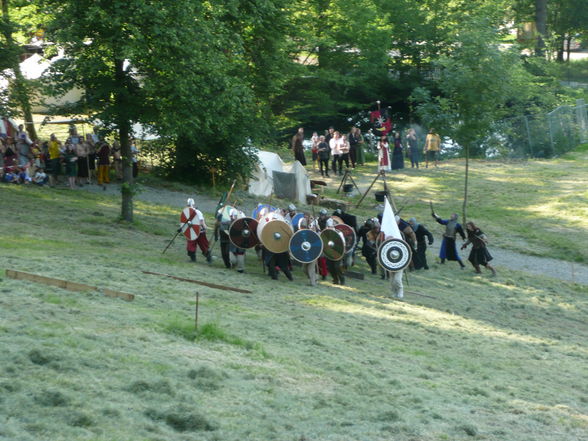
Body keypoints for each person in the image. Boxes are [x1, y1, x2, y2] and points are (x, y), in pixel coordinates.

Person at [184, 198, 213, 263]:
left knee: (204, 246)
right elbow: (184, 221)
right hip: (191, 231)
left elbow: (201, 222)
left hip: (200, 232)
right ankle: (193, 259)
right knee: (190, 246)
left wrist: (204, 227)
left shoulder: (197, 212)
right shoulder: (187, 212)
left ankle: (209, 258)